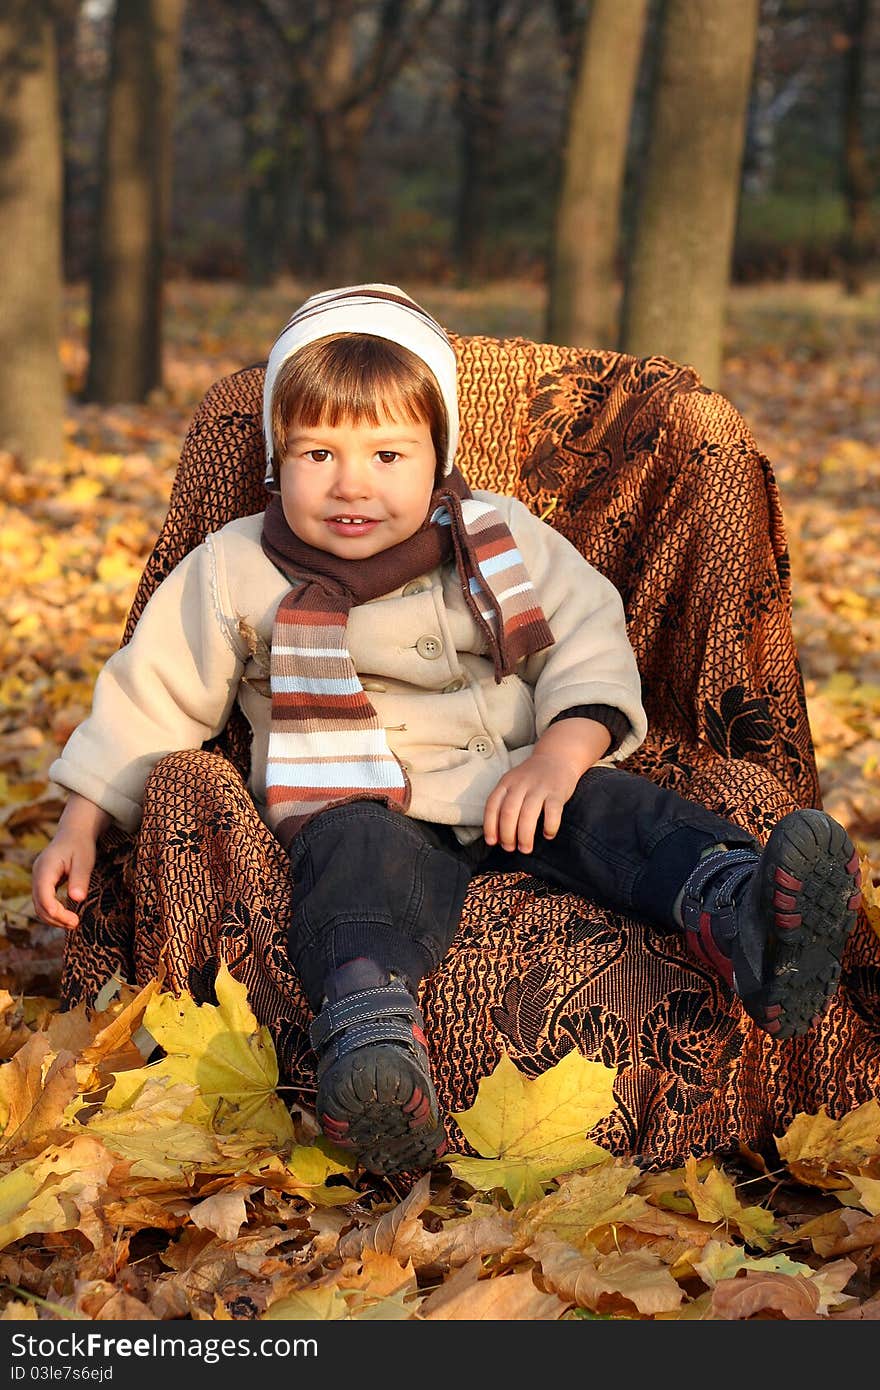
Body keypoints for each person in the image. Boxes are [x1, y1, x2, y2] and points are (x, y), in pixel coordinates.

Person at [32, 284, 863, 1177]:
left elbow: (586, 637)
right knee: (353, 884)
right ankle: (373, 1050)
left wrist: (561, 751)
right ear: (277, 461)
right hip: (354, 797)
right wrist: (82, 822)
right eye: (318, 452)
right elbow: (151, 692)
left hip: (512, 778)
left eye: (388, 453)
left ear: (439, 458)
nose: (352, 483)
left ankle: (745, 910)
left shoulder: (497, 536)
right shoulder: (236, 565)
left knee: (620, 813)